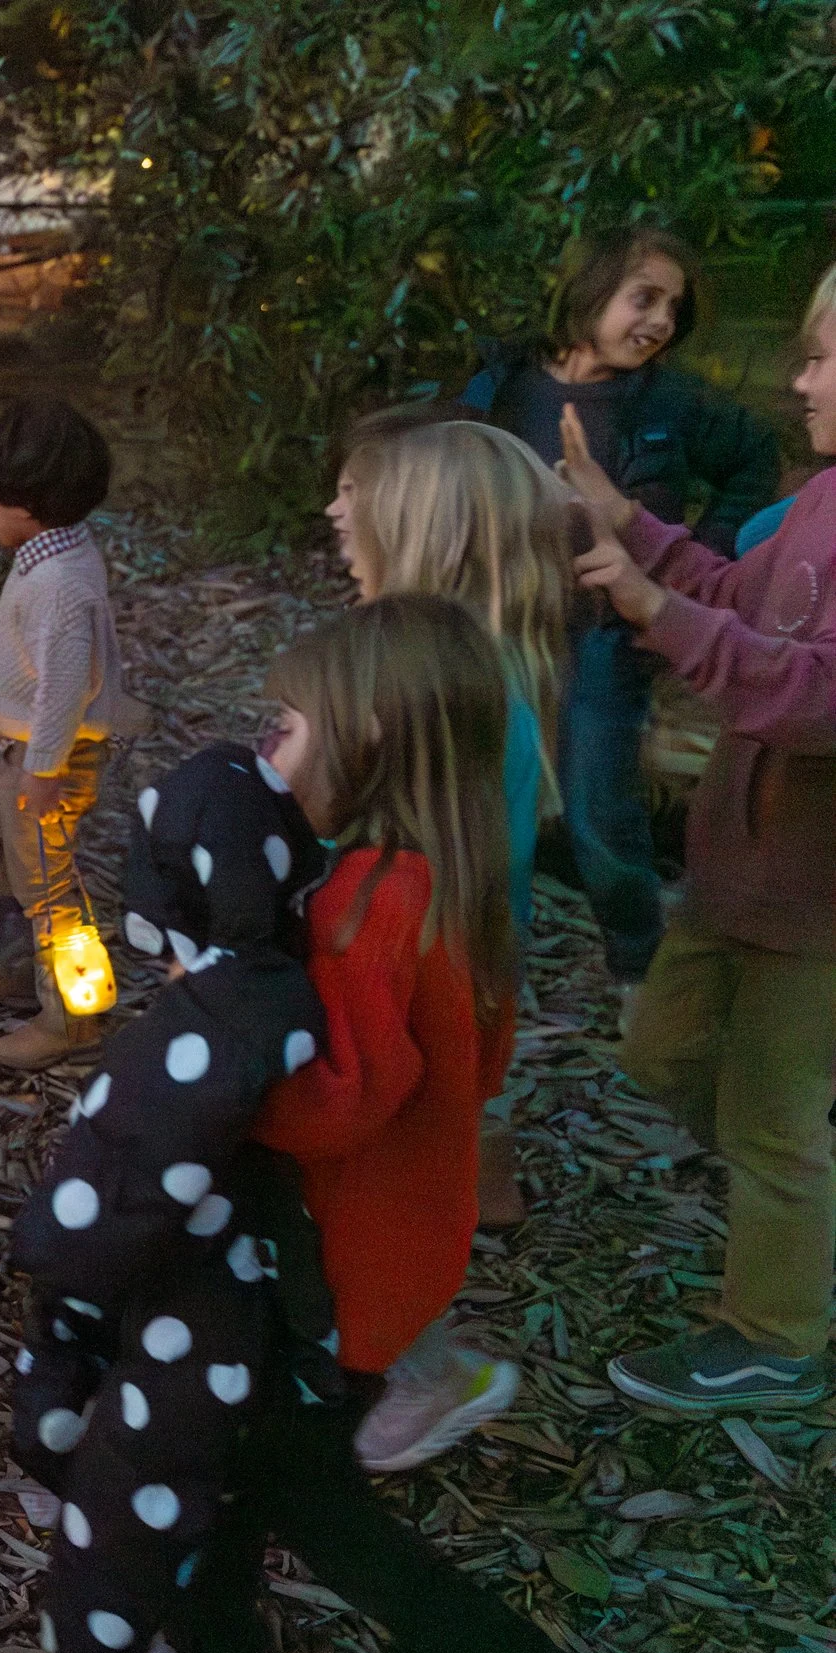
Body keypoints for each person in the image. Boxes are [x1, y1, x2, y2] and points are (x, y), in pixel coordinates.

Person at [180, 597, 566, 1653]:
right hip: (400, 1252)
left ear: (369, 744)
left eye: (288, 723)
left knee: (308, 1509)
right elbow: (477, 1071)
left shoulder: (365, 908)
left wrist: (207, 1009)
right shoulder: (450, 884)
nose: (269, 748)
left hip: (332, 1275)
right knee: (254, 1481)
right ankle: (210, 1628)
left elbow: (326, 1110)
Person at [568, 262, 836, 1413]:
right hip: (740, 870)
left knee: (775, 1125)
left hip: (813, 899)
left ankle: (775, 1335)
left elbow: (817, 697)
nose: (799, 376)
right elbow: (733, 591)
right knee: (664, 1053)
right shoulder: (823, 497)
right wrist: (630, 526)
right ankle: (799, 1207)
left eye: (822, 357)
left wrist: (650, 610)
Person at [7, 743, 331, 1653]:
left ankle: (110, 1646)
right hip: (238, 1287)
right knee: (186, 1508)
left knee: (122, 1513)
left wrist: (47, 1254)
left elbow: (114, 1186)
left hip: (187, 1312)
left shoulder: (212, 1025)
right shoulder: (275, 988)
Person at [461, 223, 781, 986]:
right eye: (645, 298)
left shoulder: (669, 400)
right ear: (589, 289)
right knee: (488, 800)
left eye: (674, 308)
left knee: (601, 812)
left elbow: (752, 458)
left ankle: (640, 970)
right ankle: (485, 967)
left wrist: (692, 563)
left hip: (605, 636)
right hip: (503, 626)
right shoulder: (502, 383)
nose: (662, 322)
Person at [325, 413, 568, 1243]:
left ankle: (415, 1333)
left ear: (420, 533)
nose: (342, 514)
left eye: (367, 501)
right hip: (472, 957)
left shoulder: (431, 694)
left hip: (416, 962)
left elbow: (369, 846)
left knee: (396, 1150)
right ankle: (476, 1184)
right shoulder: (495, 664)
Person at [0, 394, 145, 1069]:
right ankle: (12, 968)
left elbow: (66, 686)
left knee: (48, 883)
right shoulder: (52, 555)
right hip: (23, 752)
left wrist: (46, 766)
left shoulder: (60, 581)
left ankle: (72, 1018)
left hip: (45, 758)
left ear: (24, 506)